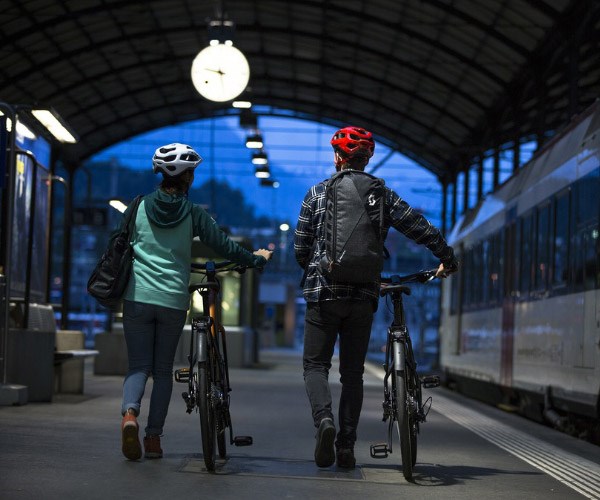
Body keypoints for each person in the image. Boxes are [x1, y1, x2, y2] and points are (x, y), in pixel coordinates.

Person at [294, 126, 458, 469]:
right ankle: (346, 447)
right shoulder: (381, 195)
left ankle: (324, 420)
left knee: (315, 366)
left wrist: (316, 266)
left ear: (338, 158)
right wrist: (446, 255)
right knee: (352, 373)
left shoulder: (316, 193)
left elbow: (300, 248)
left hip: (323, 294)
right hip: (363, 296)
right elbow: (418, 226)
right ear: (366, 160)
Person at [119, 142, 272, 461]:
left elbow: (117, 245)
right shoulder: (193, 213)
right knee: (162, 371)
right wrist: (254, 259)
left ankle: (130, 415)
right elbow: (223, 246)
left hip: (137, 297)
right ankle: (153, 440)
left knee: (138, 367)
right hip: (173, 300)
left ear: (159, 173)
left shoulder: (137, 206)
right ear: (187, 178)